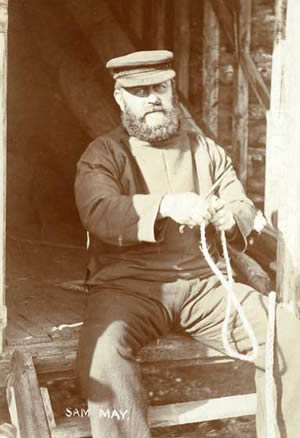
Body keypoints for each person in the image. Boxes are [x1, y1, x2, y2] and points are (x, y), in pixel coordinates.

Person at [75, 50, 300, 438]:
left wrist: (232, 217)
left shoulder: (207, 151)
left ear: (171, 88)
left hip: (203, 287)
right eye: (139, 91)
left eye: (160, 88)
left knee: (289, 337)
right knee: (101, 358)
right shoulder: (104, 153)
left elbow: (241, 204)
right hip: (128, 287)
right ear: (119, 97)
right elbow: (98, 209)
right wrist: (165, 205)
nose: (153, 99)